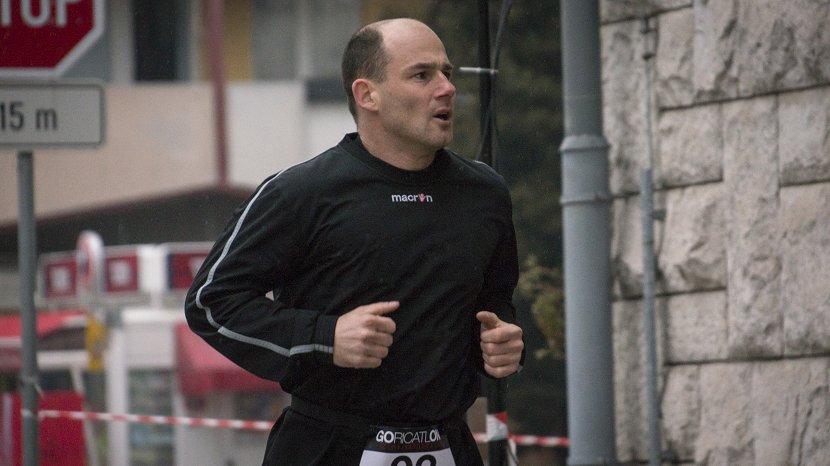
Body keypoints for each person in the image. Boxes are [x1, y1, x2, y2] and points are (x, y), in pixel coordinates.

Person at [185, 17, 524, 465]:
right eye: (422, 75)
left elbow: (495, 302)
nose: (446, 88)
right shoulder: (300, 192)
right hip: (326, 446)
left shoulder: (484, 192)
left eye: (446, 72)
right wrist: (325, 337)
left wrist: (501, 344)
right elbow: (211, 303)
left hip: (449, 443)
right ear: (368, 95)